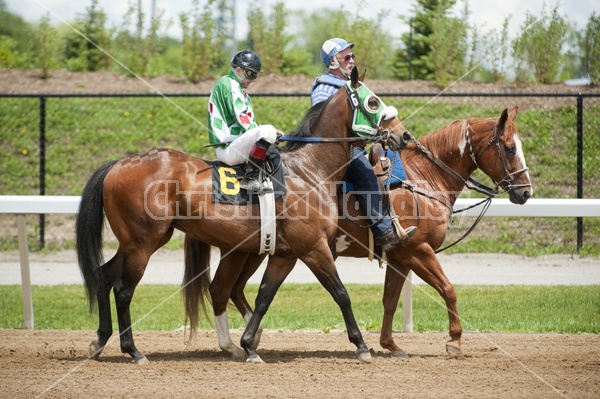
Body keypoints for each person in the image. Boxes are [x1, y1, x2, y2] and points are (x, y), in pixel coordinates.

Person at [311, 38, 415, 252]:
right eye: (346, 57)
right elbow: (321, 123)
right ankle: (384, 232)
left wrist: (379, 133)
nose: (351, 60)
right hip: (336, 152)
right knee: (367, 176)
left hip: (352, 146)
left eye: (353, 56)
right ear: (333, 62)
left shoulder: (354, 86)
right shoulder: (324, 87)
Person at [208, 49, 282, 192]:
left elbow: (247, 123)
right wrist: (269, 133)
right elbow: (244, 119)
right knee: (268, 131)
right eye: (251, 73)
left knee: (269, 136)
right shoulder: (229, 84)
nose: (254, 79)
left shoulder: (237, 89)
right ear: (239, 70)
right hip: (228, 149)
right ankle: (250, 179)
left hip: (233, 144)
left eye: (256, 74)